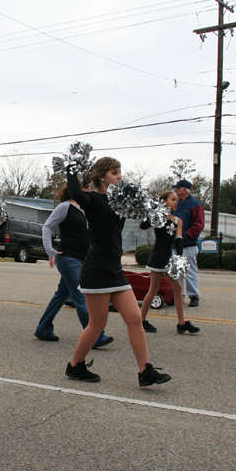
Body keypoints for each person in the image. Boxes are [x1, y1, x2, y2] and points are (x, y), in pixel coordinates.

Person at [63, 157, 171, 386]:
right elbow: (75, 191)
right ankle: (75, 366)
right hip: (96, 269)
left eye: (120, 171)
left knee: (134, 319)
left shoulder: (121, 201)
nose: (119, 176)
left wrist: (154, 210)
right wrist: (71, 168)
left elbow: (144, 221)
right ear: (102, 176)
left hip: (115, 268)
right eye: (114, 172)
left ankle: (145, 371)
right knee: (97, 324)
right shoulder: (92, 199)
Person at [34, 183, 113, 348]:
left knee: (61, 296)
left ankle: (43, 329)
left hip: (82, 259)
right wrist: (50, 251)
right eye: (85, 189)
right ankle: (96, 337)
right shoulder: (65, 207)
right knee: (81, 297)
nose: (88, 191)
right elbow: (47, 226)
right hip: (68, 258)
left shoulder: (85, 211)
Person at [139, 191, 200, 335]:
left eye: (177, 200)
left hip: (170, 256)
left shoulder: (178, 220)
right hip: (158, 256)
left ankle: (181, 323)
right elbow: (143, 226)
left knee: (178, 288)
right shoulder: (158, 217)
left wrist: (178, 258)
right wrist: (153, 211)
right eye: (173, 199)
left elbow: (179, 239)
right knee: (154, 289)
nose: (176, 202)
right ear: (164, 201)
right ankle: (141, 321)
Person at [171, 180, 204, 307]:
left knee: (190, 271)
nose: (176, 191)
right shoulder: (176, 204)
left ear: (184, 189)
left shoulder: (195, 204)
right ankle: (179, 295)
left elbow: (199, 224)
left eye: (177, 188)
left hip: (188, 245)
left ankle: (194, 295)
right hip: (175, 245)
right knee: (177, 272)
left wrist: (184, 236)